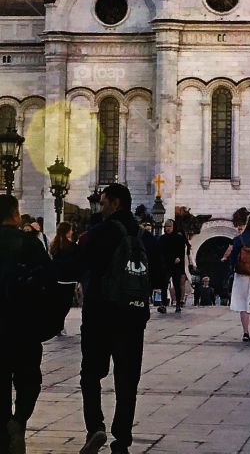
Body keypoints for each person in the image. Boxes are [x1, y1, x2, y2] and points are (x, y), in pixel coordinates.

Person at [60, 182, 152, 454]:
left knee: (91, 373)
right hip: (133, 315)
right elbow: (155, 274)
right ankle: (122, 438)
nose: (100, 206)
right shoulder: (144, 235)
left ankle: (95, 427)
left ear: (115, 202)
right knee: (127, 379)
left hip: (100, 313)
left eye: (103, 201)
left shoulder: (98, 233)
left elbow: (73, 267)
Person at [0, 193, 51, 454]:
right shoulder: (30, 244)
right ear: (15, 214)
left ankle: (4, 430)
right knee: (28, 380)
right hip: (24, 327)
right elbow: (50, 283)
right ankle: (18, 422)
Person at [223, 213, 250, 341]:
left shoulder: (239, 239)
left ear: (247, 224)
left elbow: (232, 257)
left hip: (241, 275)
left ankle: (245, 332)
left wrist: (233, 268)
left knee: (243, 304)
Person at [159, 219, 188, 313]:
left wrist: (179, 258)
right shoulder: (162, 239)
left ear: (173, 227)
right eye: (166, 227)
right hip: (165, 265)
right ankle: (163, 304)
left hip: (176, 265)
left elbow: (181, 252)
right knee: (163, 285)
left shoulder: (179, 238)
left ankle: (178, 304)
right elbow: (160, 252)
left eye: (169, 226)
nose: (168, 228)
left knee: (177, 284)